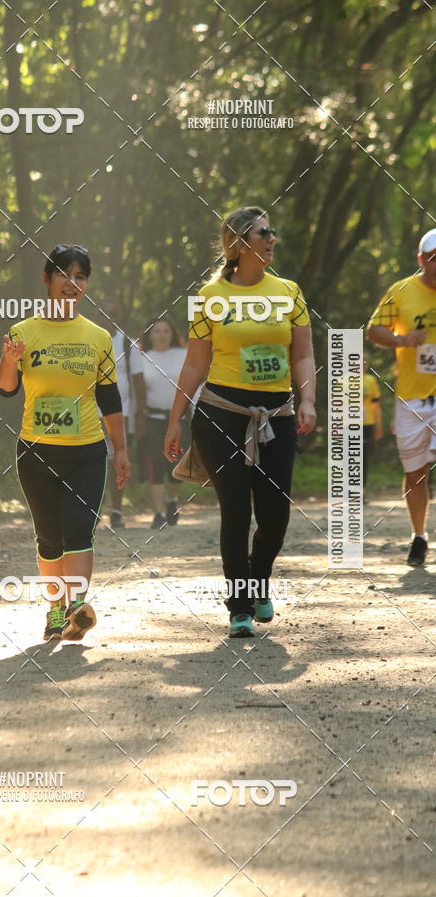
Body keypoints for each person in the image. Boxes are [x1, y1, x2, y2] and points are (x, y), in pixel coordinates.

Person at [164, 206, 316, 637]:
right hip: (220, 415)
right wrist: (175, 419)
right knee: (235, 511)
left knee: (274, 515)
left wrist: (308, 401)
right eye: (263, 232)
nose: (272, 239)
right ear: (239, 243)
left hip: (277, 416)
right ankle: (239, 606)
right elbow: (195, 364)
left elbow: (302, 354)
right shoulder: (209, 297)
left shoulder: (289, 291)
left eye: (273, 232)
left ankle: (258, 578)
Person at [0, 244, 130, 641]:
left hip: (87, 450)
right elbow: (5, 388)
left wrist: (120, 450)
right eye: (64, 275)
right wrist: (7, 359)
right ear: (47, 280)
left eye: (81, 277)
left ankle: (74, 608)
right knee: (49, 537)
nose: (73, 284)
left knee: (79, 530)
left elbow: (110, 398)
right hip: (36, 451)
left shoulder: (98, 337)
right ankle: (55, 610)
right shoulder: (23, 332)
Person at [367, 227, 436, 566]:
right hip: (412, 396)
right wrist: (403, 340)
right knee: (416, 472)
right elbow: (374, 329)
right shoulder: (401, 291)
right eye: (434, 258)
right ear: (421, 259)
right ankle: (419, 535)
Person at [133, 315, 188, 528]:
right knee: (154, 462)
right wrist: (138, 416)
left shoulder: (183, 354)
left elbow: (195, 382)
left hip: (180, 418)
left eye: (166, 331)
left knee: (176, 462)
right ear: (149, 335)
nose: (162, 335)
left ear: (172, 334)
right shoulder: (142, 357)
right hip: (153, 419)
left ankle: (171, 500)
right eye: (157, 331)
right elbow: (136, 388)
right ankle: (158, 514)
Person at [100, 302, 143, 528]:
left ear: (119, 316)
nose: (108, 315)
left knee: (118, 458)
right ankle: (95, 509)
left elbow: (138, 380)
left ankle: (116, 511)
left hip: (122, 411)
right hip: (92, 412)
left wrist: (140, 414)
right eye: (105, 312)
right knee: (96, 461)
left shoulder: (128, 344)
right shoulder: (90, 338)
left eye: (113, 312)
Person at [363, 354, 383, 489]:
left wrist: (379, 426)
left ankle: (360, 492)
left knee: (363, 458)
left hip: (366, 425)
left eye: (363, 363)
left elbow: (376, 406)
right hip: (347, 425)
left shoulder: (371, 380)